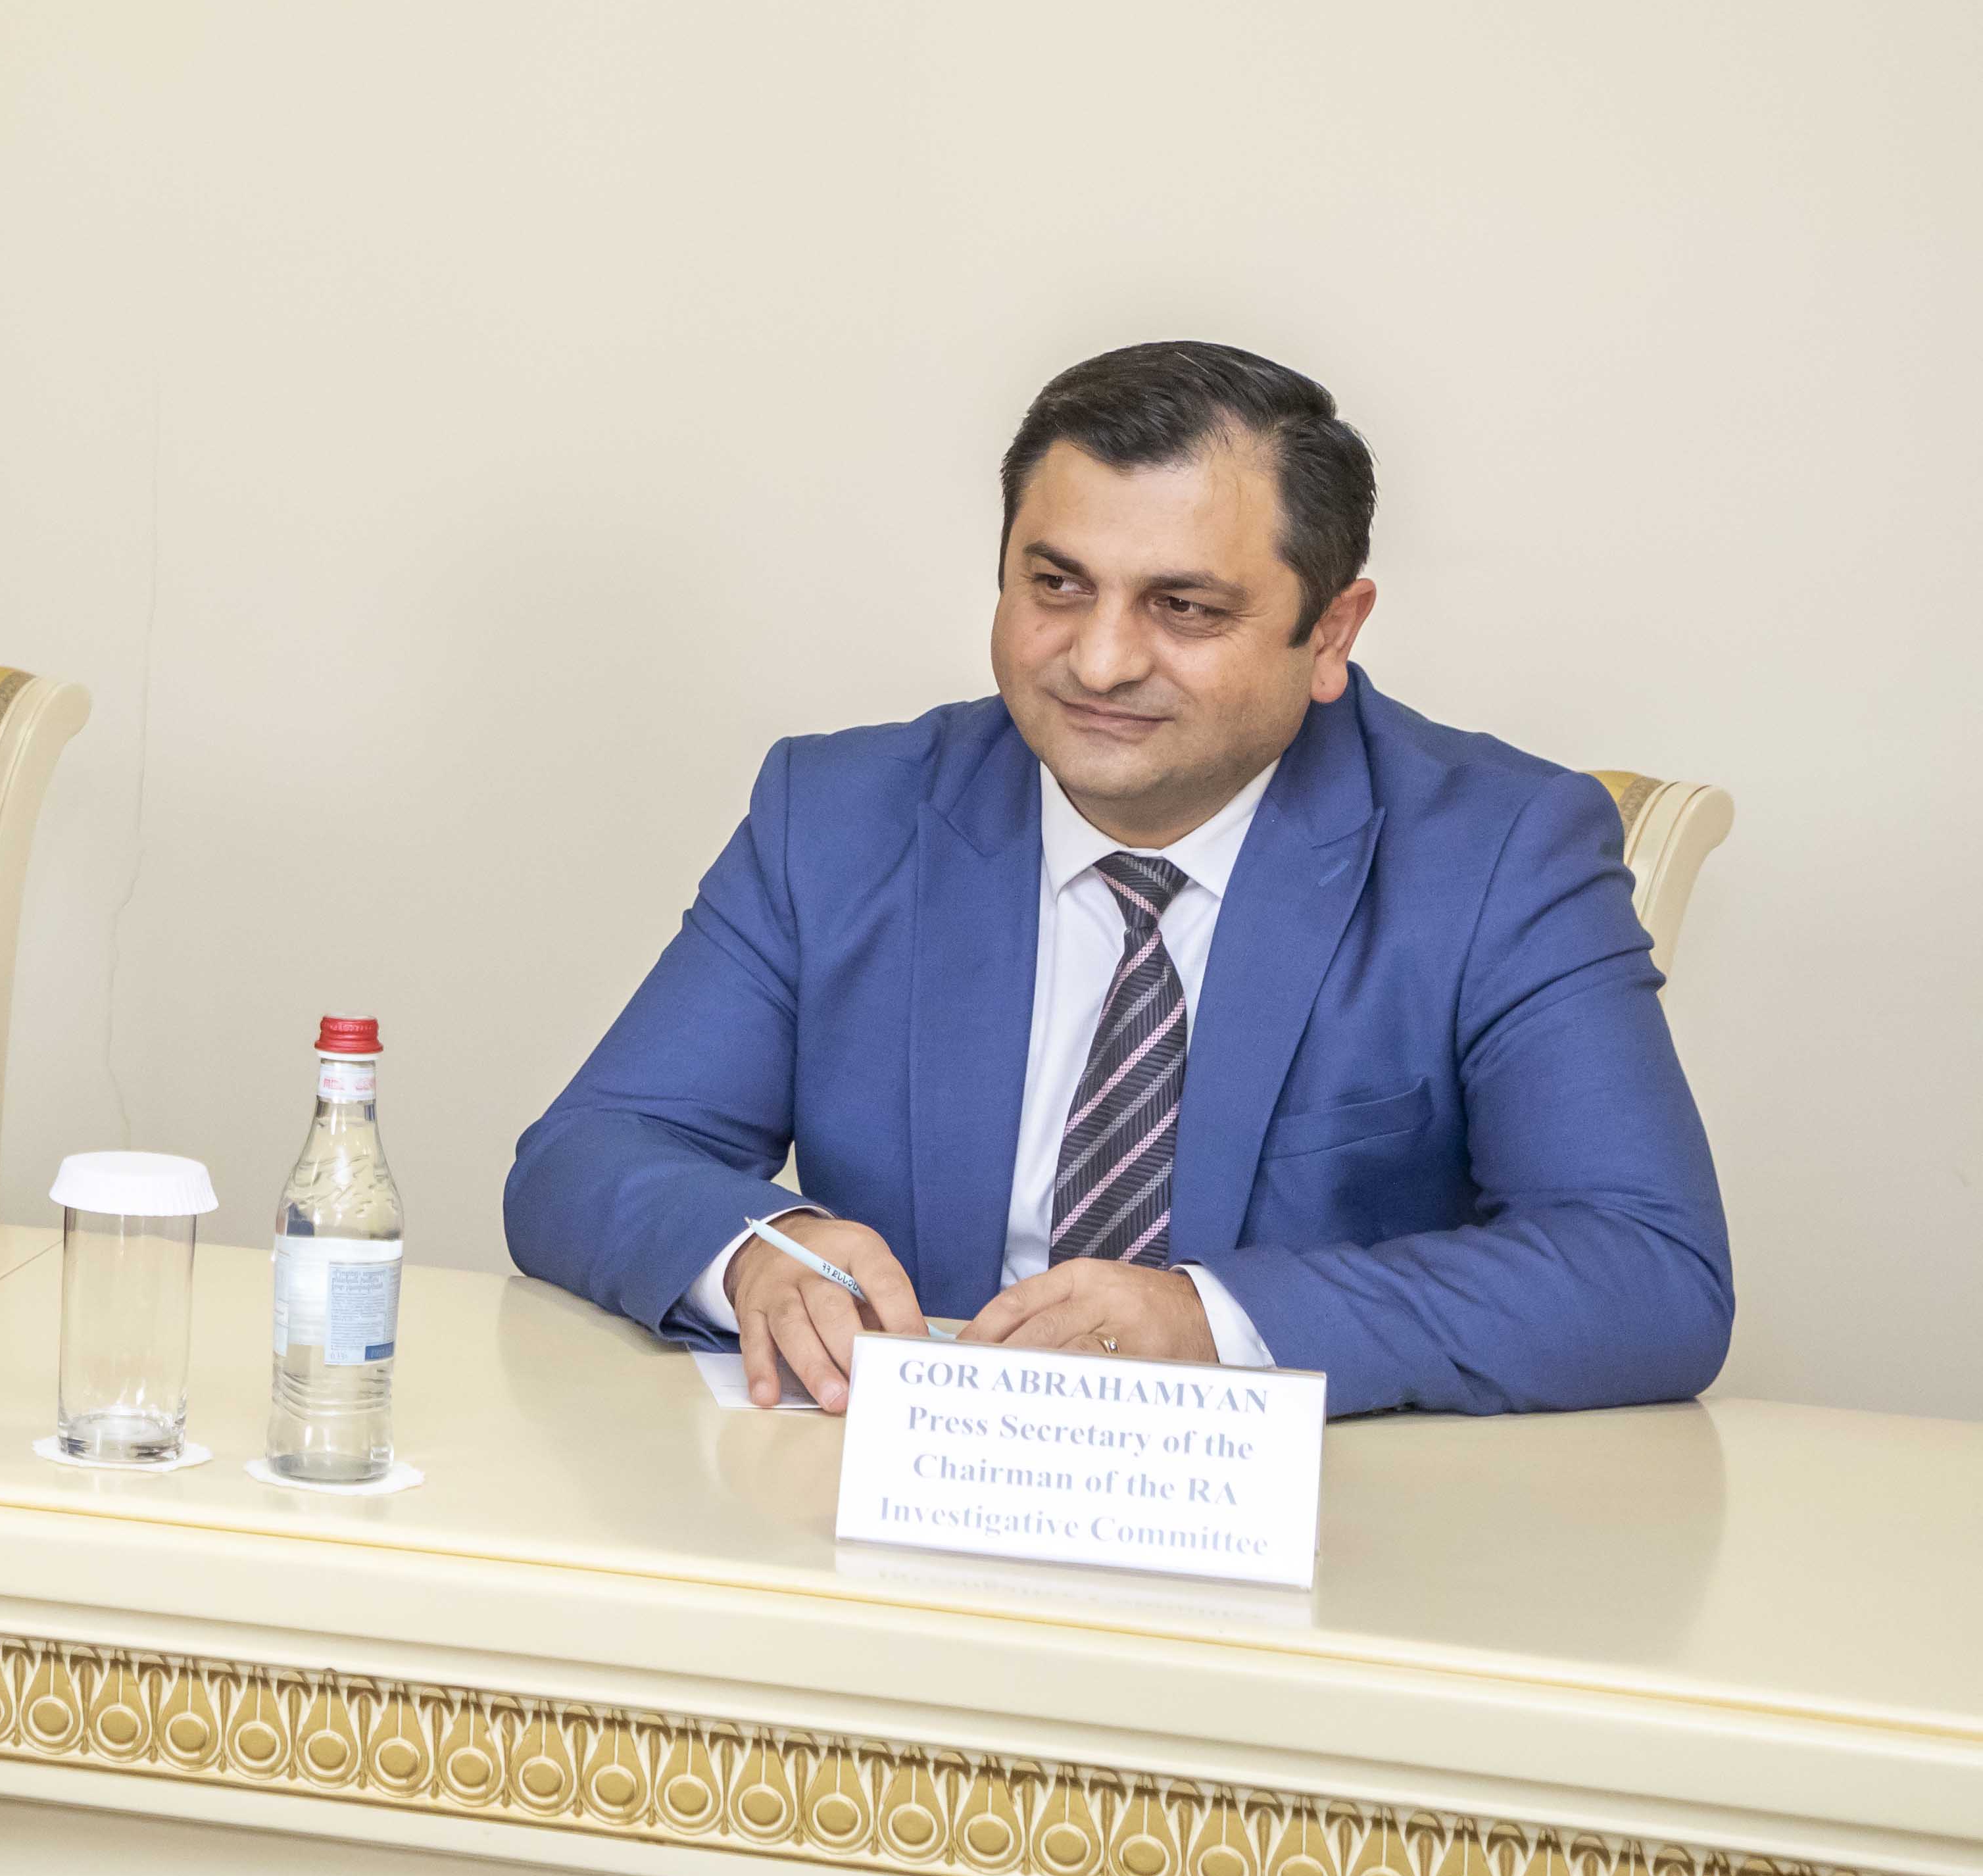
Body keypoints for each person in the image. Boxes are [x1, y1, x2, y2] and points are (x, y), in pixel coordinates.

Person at [501, 341, 1731, 1419]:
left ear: (1332, 633)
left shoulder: (1502, 851)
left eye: (1183, 608)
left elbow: (1647, 1271)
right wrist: (760, 1250)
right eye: (1057, 586)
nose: (1097, 661)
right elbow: (591, 1152)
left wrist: (1215, 1325)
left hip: (1326, 1535)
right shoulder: (839, 816)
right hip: (893, 1508)